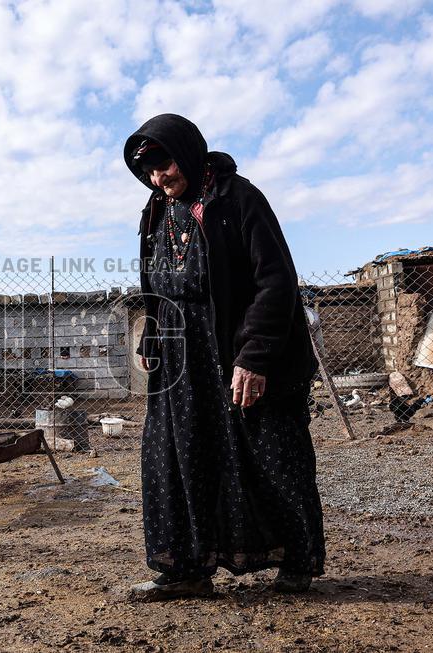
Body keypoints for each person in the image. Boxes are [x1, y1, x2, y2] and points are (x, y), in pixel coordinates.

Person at [123, 114, 325, 600]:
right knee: (177, 457)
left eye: (164, 164)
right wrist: (152, 332)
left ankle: (295, 562)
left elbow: (275, 282)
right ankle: (186, 569)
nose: (158, 178)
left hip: (237, 348)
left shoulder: (238, 199)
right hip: (181, 357)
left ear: (187, 152)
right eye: (148, 172)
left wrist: (253, 357)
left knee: (270, 454)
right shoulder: (156, 210)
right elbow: (157, 285)